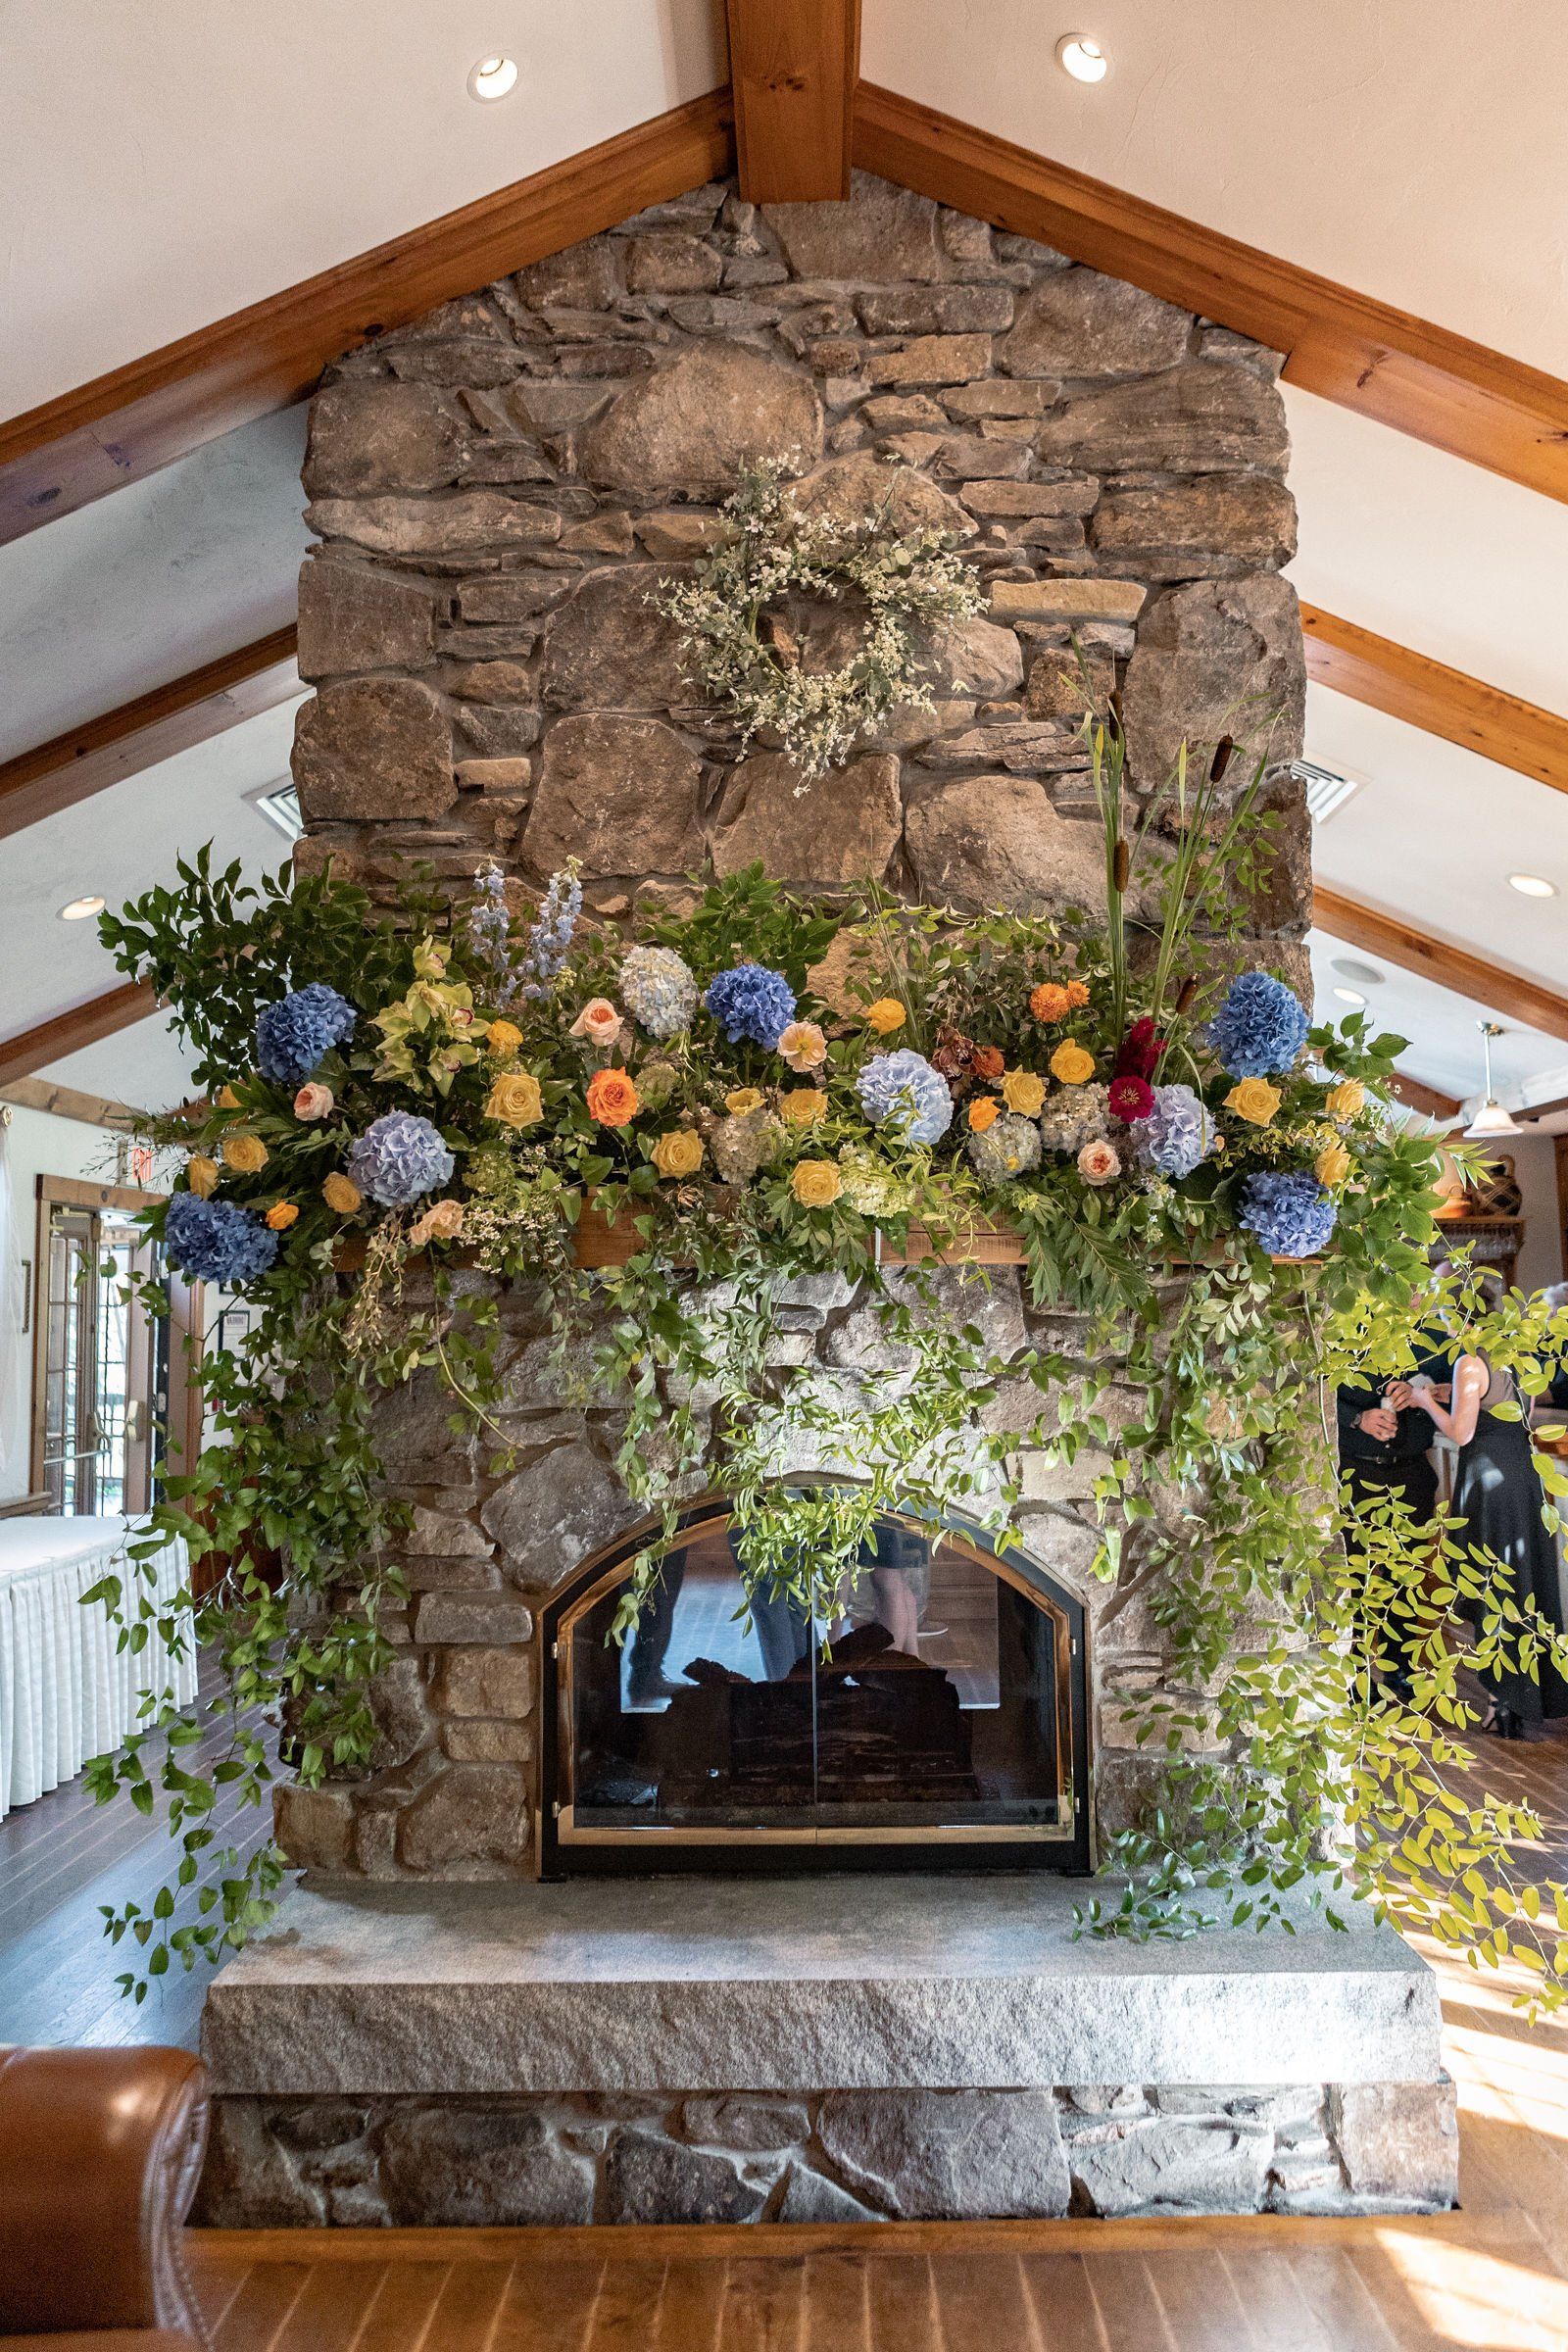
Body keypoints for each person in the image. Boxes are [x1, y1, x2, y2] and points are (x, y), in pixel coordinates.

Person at [1406, 1291, 1568, 1739]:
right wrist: (1452, 1394)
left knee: (1493, 1583)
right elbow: (1515, 1413)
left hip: (1487, 1482)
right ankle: (1523, 1699)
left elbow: (1462, 1431)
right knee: (1523, 1581)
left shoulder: (1468, 1363)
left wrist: (1424, 1400)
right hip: (1522, 1477)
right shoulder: (1518, 1354)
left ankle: (1505, 1700)